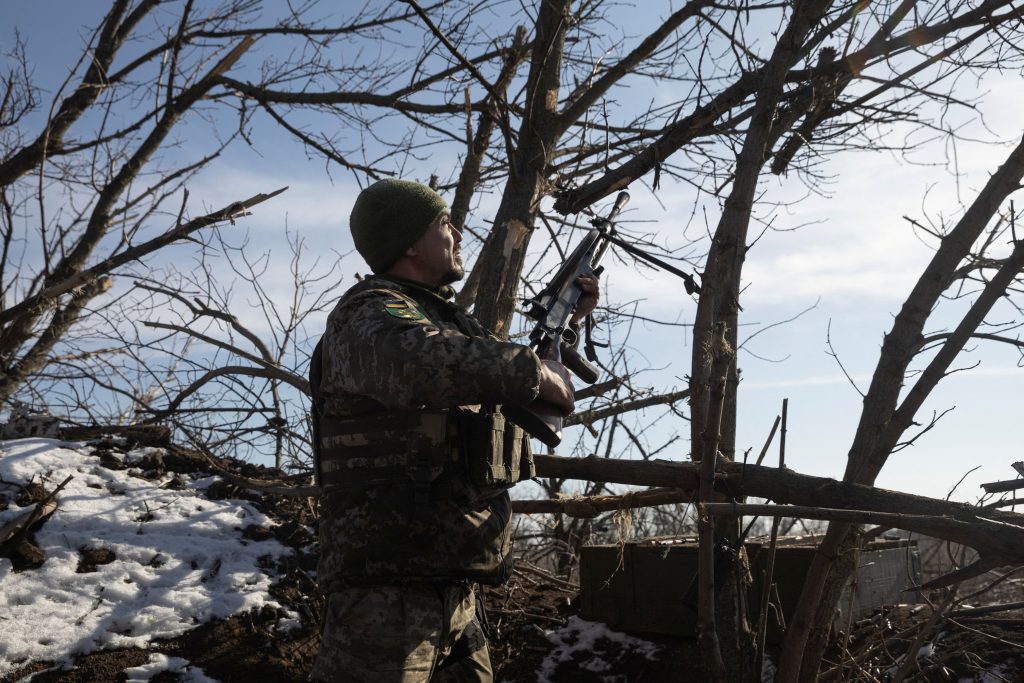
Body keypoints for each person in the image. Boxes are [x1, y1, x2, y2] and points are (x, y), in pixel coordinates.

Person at [308, 179, 599, 682]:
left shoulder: (443, 319)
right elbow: (415, 362)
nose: (459, 233)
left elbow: (497, 372)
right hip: (386, 592)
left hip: (453, 591)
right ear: (408, 243)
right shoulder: (369, 310)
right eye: (444, 223)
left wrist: (568, 323)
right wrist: (533, 372)